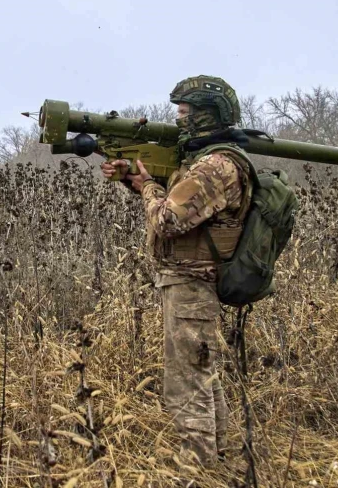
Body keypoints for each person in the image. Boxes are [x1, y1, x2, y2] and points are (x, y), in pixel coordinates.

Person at [100, 75, 253, 469]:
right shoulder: (205, 161)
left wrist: (148, 186)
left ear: (207, 115)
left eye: (185, 113)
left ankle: (196, 464)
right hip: (186, 280)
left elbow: (168, 219)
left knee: (187, 379)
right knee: (201, 370)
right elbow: (177, 206)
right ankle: (217, 455)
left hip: (193, 282)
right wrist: (139, 183)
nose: (178, 120)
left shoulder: (216, 166)